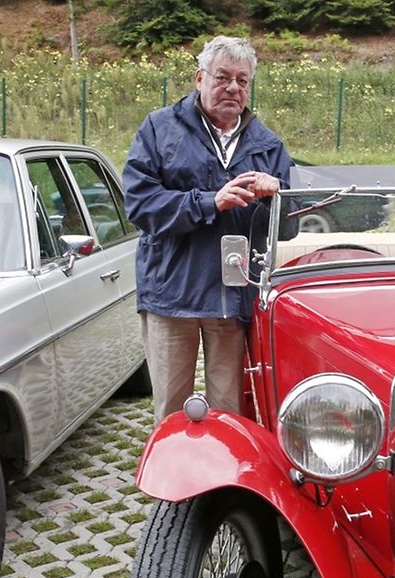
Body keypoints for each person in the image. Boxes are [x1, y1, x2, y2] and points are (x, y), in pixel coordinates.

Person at [123, 35, 292, 422]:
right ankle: (171, 481)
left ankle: (227, 482)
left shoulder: (267, 144)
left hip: (232, 297)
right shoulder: (160, 130)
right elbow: (140, 203)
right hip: (171, 294)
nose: (232, 87)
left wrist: (275, 197)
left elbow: (287, 226)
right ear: (200, 78)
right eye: (222, 77)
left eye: (242, 80)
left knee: (231, 409)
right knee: (170, 409)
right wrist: (208, 202)